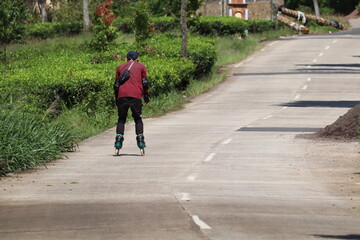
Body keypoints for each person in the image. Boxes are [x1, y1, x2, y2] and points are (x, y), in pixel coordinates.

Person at [114, 51, 149, 152]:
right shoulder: (141, 66)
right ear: (137, 58)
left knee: (121, 119)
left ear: (126, 58)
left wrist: (117, 98)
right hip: (136, 96)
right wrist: (146, 95)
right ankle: (141, 141)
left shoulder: (120, 67)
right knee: (138, 119)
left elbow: (116, 85)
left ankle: (118, 141)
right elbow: (145, 82)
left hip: (122, 96)